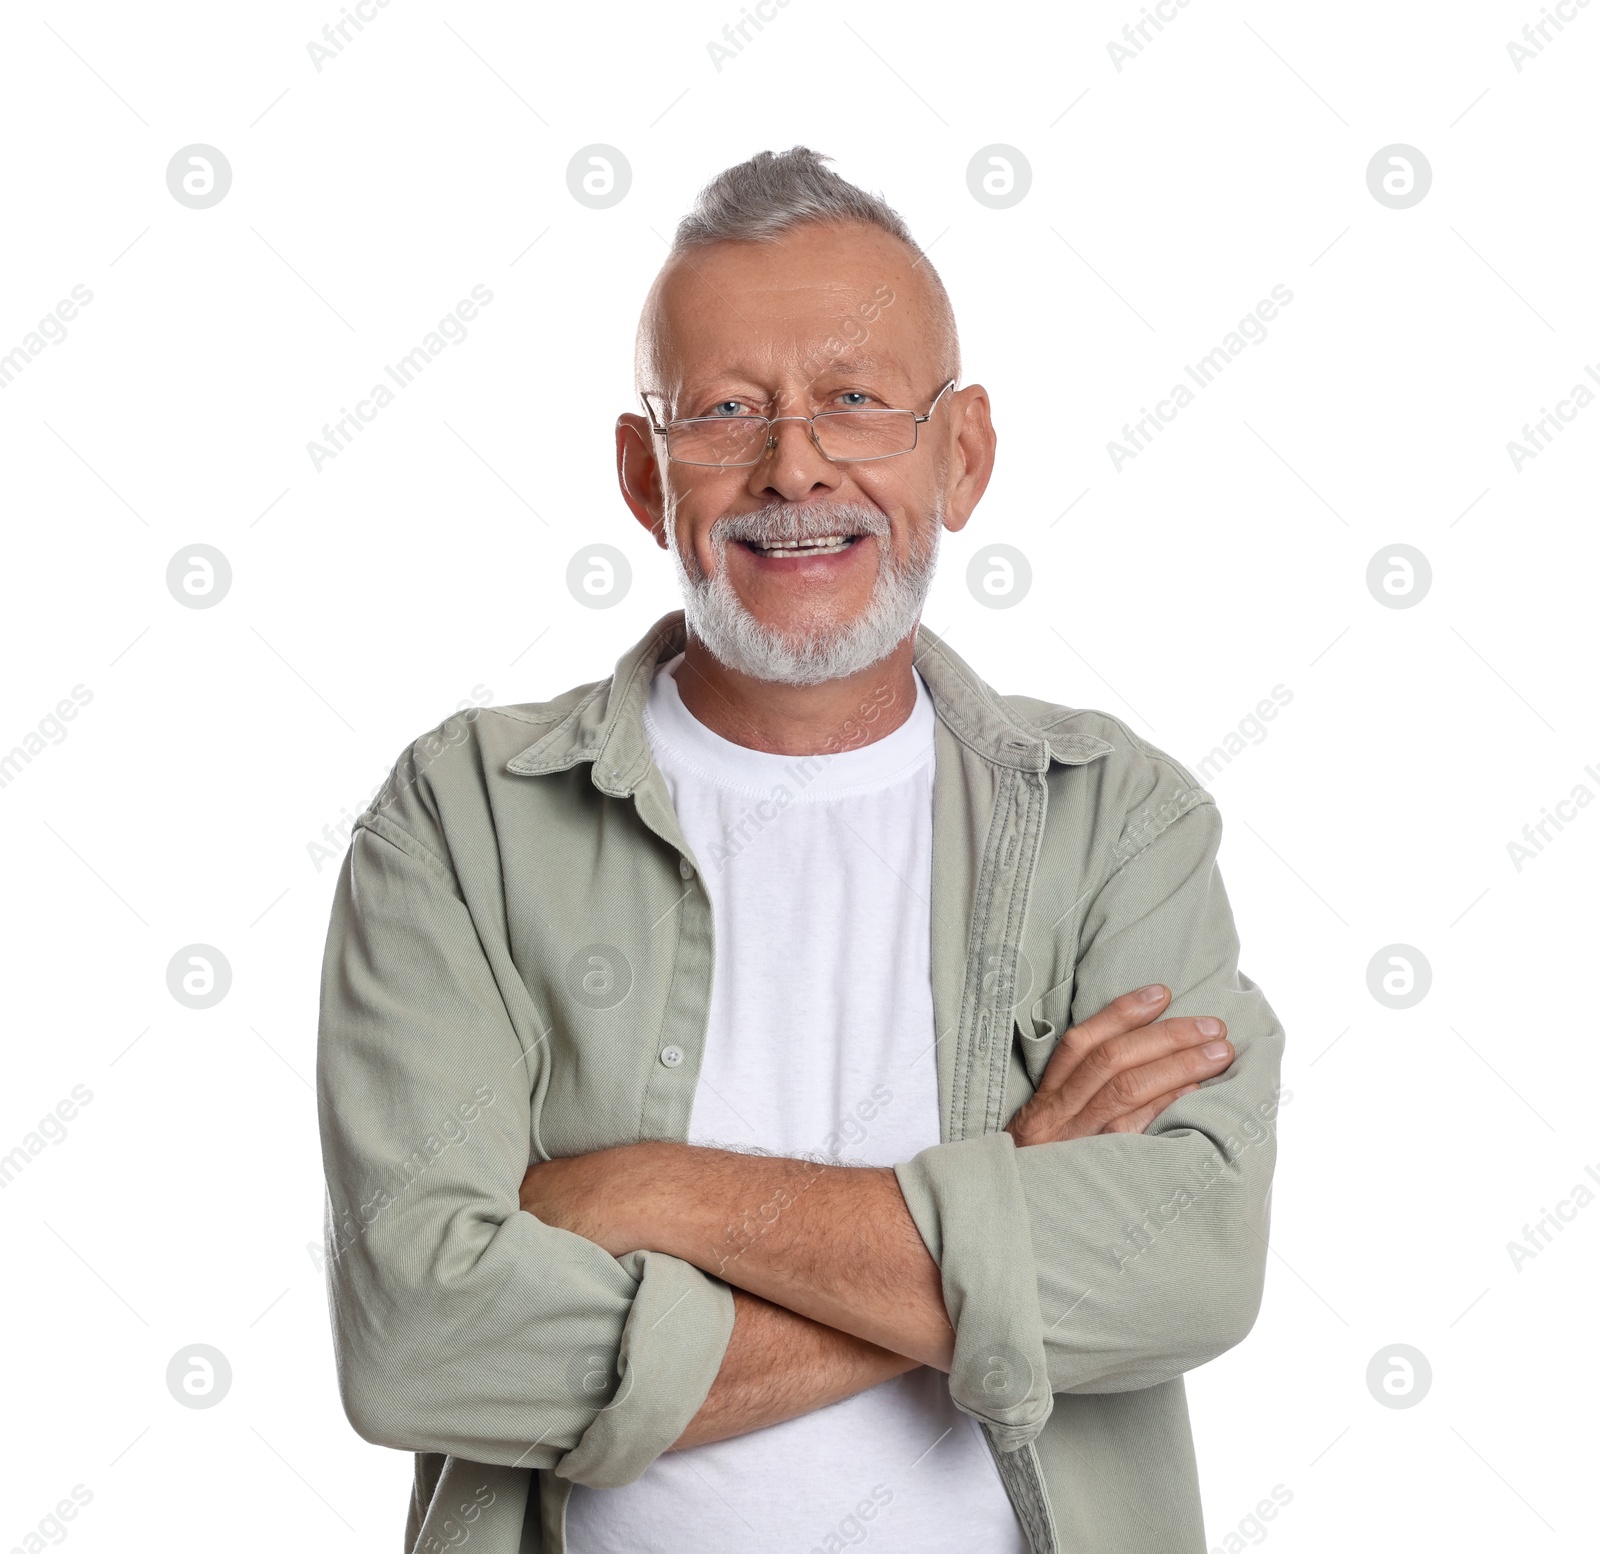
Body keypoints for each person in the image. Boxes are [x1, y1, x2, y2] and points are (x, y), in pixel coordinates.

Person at [316, 146, 1286, 1554]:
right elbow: (420, 1338)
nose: (795, 465)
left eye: (854, 400)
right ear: (648, 477)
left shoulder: (1115, 816)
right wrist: (1008, 1202)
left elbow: (1189, 1263)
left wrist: (665, 1193)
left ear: (961, 455)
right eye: (725, 411)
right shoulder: (462, 816)